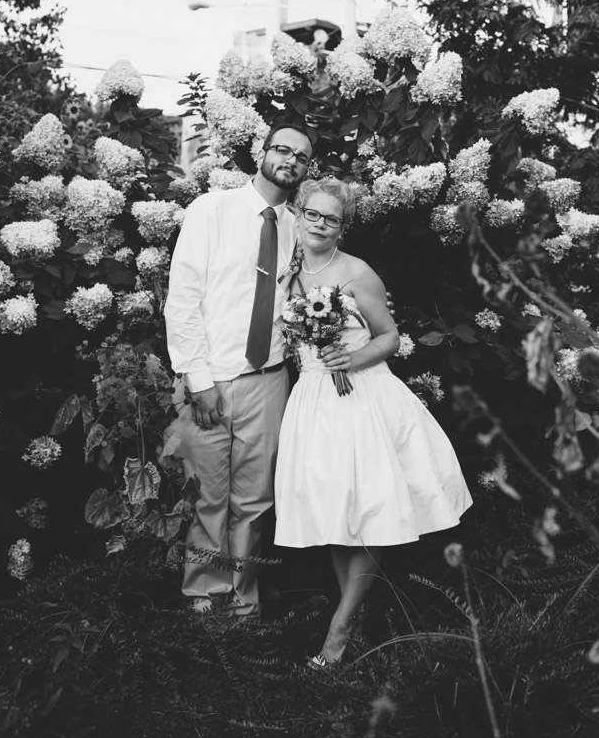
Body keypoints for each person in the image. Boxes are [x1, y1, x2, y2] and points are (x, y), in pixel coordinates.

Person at [274, 178, 473, 667]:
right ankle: (357, 617)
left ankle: (338, 633)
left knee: (370, 513)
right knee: (336, 513)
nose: (320, 225)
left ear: (343, 227)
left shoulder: (357, 272)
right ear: (298, 215)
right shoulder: (288, 273)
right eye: (313, 214)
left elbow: (389, 337)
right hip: (315, 401)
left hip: (363, 398)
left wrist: (350, 358)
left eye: (332, 219)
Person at [163, 121, 314, 617]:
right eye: (283, 149)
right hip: (212, 378)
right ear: (262, 152)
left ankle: (243, 599)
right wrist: (198, 379)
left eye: (302, 157)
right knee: (208, 494)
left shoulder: (298, 227)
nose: (290, 161)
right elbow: (183, 299)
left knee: (255, 499)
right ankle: (203, 595)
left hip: (269, 379)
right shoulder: (212, 209)